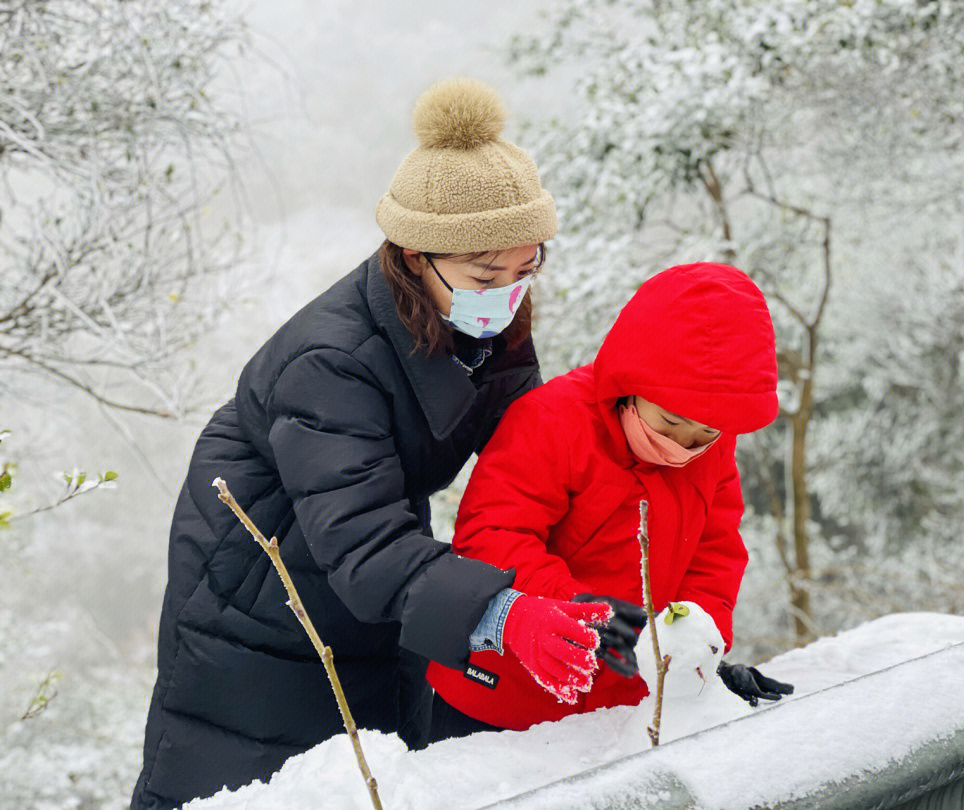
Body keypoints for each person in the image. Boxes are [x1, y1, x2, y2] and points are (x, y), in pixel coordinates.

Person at [130, 78, 612, 810]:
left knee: (378, 763)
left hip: (373, 557)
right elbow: (363, 542)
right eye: (487, 275)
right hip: (261, 577)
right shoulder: (328, 362)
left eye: (525, 271)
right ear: (416, 254)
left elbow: (534, 457)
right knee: (254, 773)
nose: (508, 294)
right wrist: (503, 613)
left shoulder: (487, 324)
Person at [426, 262, 795, 738]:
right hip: (504, 700)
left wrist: (699, 640)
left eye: (704, 432)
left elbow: (715, 551)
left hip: (620, 705)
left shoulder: (713, 449)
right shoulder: (551, 422)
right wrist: (582, 609)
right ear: (633, 385)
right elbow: (491, 536)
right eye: (668, 423)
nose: (683, 446)